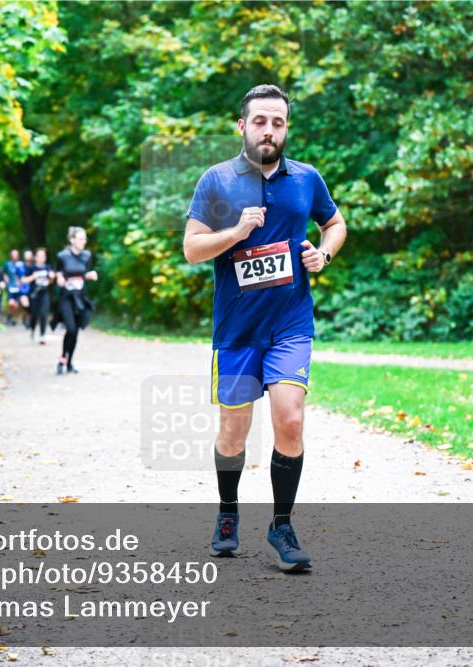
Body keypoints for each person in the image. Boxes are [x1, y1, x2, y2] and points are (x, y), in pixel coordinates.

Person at [183, 84, 347, 571]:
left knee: (290, 419)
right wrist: (235, 232)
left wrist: (324, 253)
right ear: (242, 126)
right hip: (236, 330)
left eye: (278, 122)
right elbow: (192, 249)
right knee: (233, 433)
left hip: (290, 322)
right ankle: (228, 513)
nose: (269, 130)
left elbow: (335, 224)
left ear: (286, 128)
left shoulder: (306, 179)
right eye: (260, 121)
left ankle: (282, 524)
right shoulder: (216, 181)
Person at [53, 227, 97, 374]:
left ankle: (69, 362)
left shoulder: (87, 255)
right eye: (80, 239)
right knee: (70, 328)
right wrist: (59, 278)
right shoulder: (62, 256)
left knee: (76, 332)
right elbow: (58, 272)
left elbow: (85, 273)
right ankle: (62, 357)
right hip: (67, 298)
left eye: (85, 239)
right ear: (72, 240)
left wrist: (90, 275)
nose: (83, 241)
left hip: (81, 298)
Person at [25, 247, 54, 344]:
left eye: (43, 256)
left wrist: (51, 277)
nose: (41, 258)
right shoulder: (31, 268)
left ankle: (42, 335)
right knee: (34, 315)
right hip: (34, 294)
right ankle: (32, 331)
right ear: (35, 257)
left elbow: (51, 281)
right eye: (39, 256)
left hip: (44, 293)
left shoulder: (48, 267)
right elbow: (24, 280)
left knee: (44, 313)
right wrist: (34, 276)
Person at [3, 249, 28, 326]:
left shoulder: (22, 264)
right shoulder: (7, 264)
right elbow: (3, 273)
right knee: (12, 304)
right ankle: (11, 316)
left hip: (20, 287)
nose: (14, 256)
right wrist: (6, 279)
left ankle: (20, 318)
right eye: (13, 255)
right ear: (11, 256)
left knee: (21, 303)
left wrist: (22, 282)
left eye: (16, 255)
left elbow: (25, 274)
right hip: (11, 286)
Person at [20, 249, 35, 328]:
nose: (28, 257)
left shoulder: (35, 266)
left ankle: (29, 320)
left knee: (32, 307)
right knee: (26, 305)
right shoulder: (20, 266)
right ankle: (25, 317)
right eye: (26, 255)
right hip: (23, 289)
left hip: (33, 289)